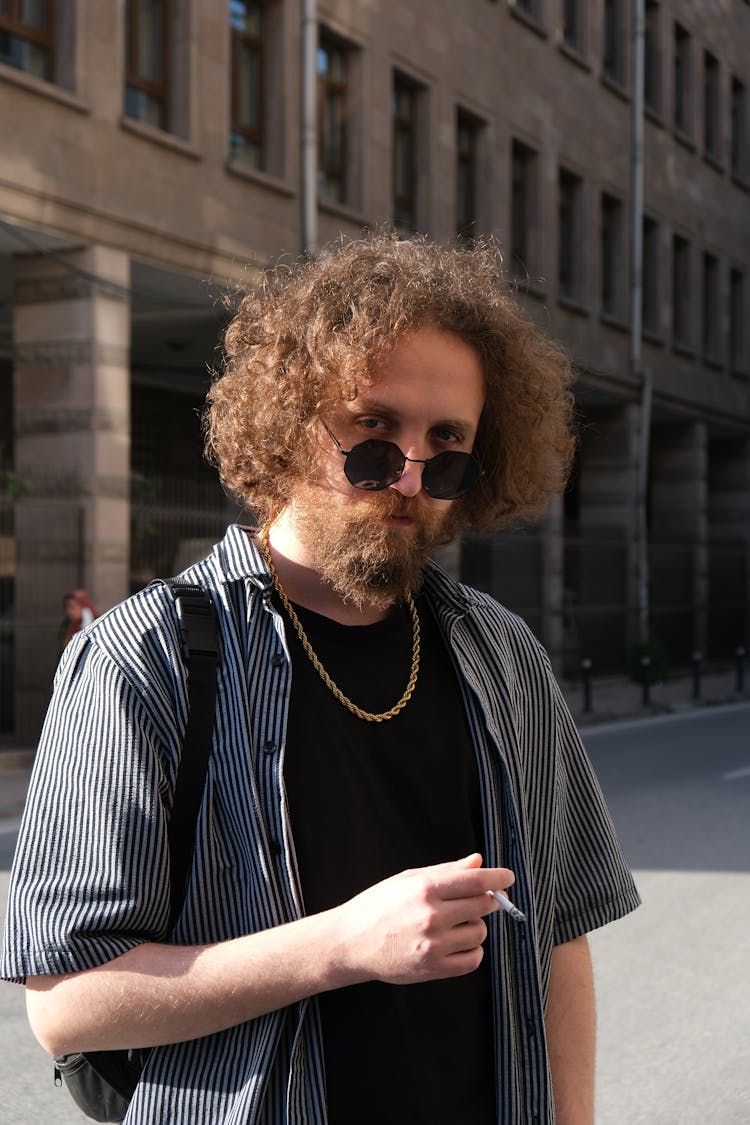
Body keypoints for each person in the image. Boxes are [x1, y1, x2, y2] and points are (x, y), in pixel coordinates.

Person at [1, 234, 640, 1125]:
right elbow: (64, 999)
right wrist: (343, 943)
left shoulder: (499, 652)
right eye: (374, 434)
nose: (410, 476)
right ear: (292, 421)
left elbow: (558, 931)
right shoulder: (143, 658)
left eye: (447, 446)